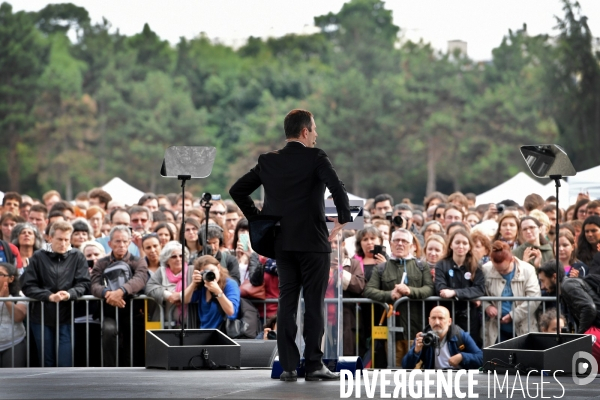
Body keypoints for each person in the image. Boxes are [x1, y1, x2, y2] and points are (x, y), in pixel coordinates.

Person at [229, 109, 351, 382]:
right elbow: (337, 187)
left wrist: (259, 219)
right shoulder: (316, 156)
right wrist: (343, 218)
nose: (317, 135)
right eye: (315, 129)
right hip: (314, 242)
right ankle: (314, 365)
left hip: (282, 242)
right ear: (305, 131)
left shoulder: (268, 161)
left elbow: (237, 189)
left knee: (287, 303)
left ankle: (287, 367)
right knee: (314, 305)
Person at [20, 221, 90, 367]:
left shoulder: (77, 256)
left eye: (66, 239)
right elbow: (28, 285)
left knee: (65, 361)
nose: (63, 243)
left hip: (67, 316)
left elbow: (83, 283)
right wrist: (49, 296)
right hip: (41, 317)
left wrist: (70, 294)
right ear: (50, 238)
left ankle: (65, 390)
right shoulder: (38, 256)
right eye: (59, 239)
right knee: (47, 361)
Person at [363, 228, 434, 366]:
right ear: (390, 244)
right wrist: (390, 295)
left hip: (416, 329)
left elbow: (429, 289)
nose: (400, 244)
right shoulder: (381, 268)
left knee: (416, 370)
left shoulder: (421, 266)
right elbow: (369, 290)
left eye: (404, 241)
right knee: (395, 369)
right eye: (396, 240)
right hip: (392, 330)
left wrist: (410, 291)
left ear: (412, 246)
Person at [90, 226, 148, 367]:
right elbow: (94, 285)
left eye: (124, 241)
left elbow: (140, 279)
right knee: (108, 330)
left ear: (129, 242)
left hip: (133, 313)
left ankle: (133, 371)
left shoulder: (138, 261)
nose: (121, 245)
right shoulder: (101, 262)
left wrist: (121, 291)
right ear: (110, 244)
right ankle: (109, 370)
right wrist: (108, 294)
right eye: (117, 241)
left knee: (133, 339)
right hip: (109, 313)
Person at [538, 261, 600, 364]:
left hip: (595, 331)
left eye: (543, 281)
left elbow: (589, 308)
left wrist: (580, 336)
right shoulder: (567, 287)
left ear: (554, 276)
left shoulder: (567, 285)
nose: (542, 286)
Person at [481, 241, 540, 346]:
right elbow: (479, 292)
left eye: (504, 270)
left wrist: (513, 315)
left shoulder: (528, 270)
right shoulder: (486, 269)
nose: (501, 272)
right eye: (497, 269)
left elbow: (534, 298)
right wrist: (487, 306)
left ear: (512, 259)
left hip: (523, 327)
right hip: (495, 328)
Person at [434, 229, 485, 347]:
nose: (460, 246)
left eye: (464, 243)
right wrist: (468, 296)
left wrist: (454, 293)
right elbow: (440, 288)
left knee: (469, 348)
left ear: (469, 246)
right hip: (448, 315)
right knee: (449, 348)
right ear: (451, 244)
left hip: (470, 316)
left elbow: (479, 289)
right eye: (457, 242)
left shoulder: (476, 265)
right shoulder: (442, 264)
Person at [402, 306, 482, 370]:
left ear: (449, 321)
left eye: (441, 318)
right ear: (429, 321)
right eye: (433, 318)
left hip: (458, 378)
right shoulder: (424, 337)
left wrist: (462, 356)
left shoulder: (460, 335)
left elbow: (481, 358)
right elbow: (406, 366)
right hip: (434, 379)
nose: (437, 322)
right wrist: (416, 351)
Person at [184, 255, 240, 329]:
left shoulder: (230, 284)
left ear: (218, 267)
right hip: (204, 331)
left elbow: (231, 312)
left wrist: (218, 292)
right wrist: (193, 284)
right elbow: (184, 299)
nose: (210, 274)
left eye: (212, 271)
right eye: (205, 273)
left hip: (221, 333)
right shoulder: (203, 285)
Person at [146, 241, 190, 327]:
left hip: (189, 322)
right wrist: (169, 295)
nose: (178, 259)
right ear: (167, 260)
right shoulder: (161, 271)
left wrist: (180, 296)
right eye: (174, 256)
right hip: (165, 323)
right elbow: (149, 287)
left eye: (181, 256)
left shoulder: (191, 270)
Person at [0, 262, 27, 367]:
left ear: (11, 279)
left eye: (0, 274)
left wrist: (6, 299)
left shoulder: (19, 295)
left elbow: (18, 317)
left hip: (13, 342)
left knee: (13, 377)